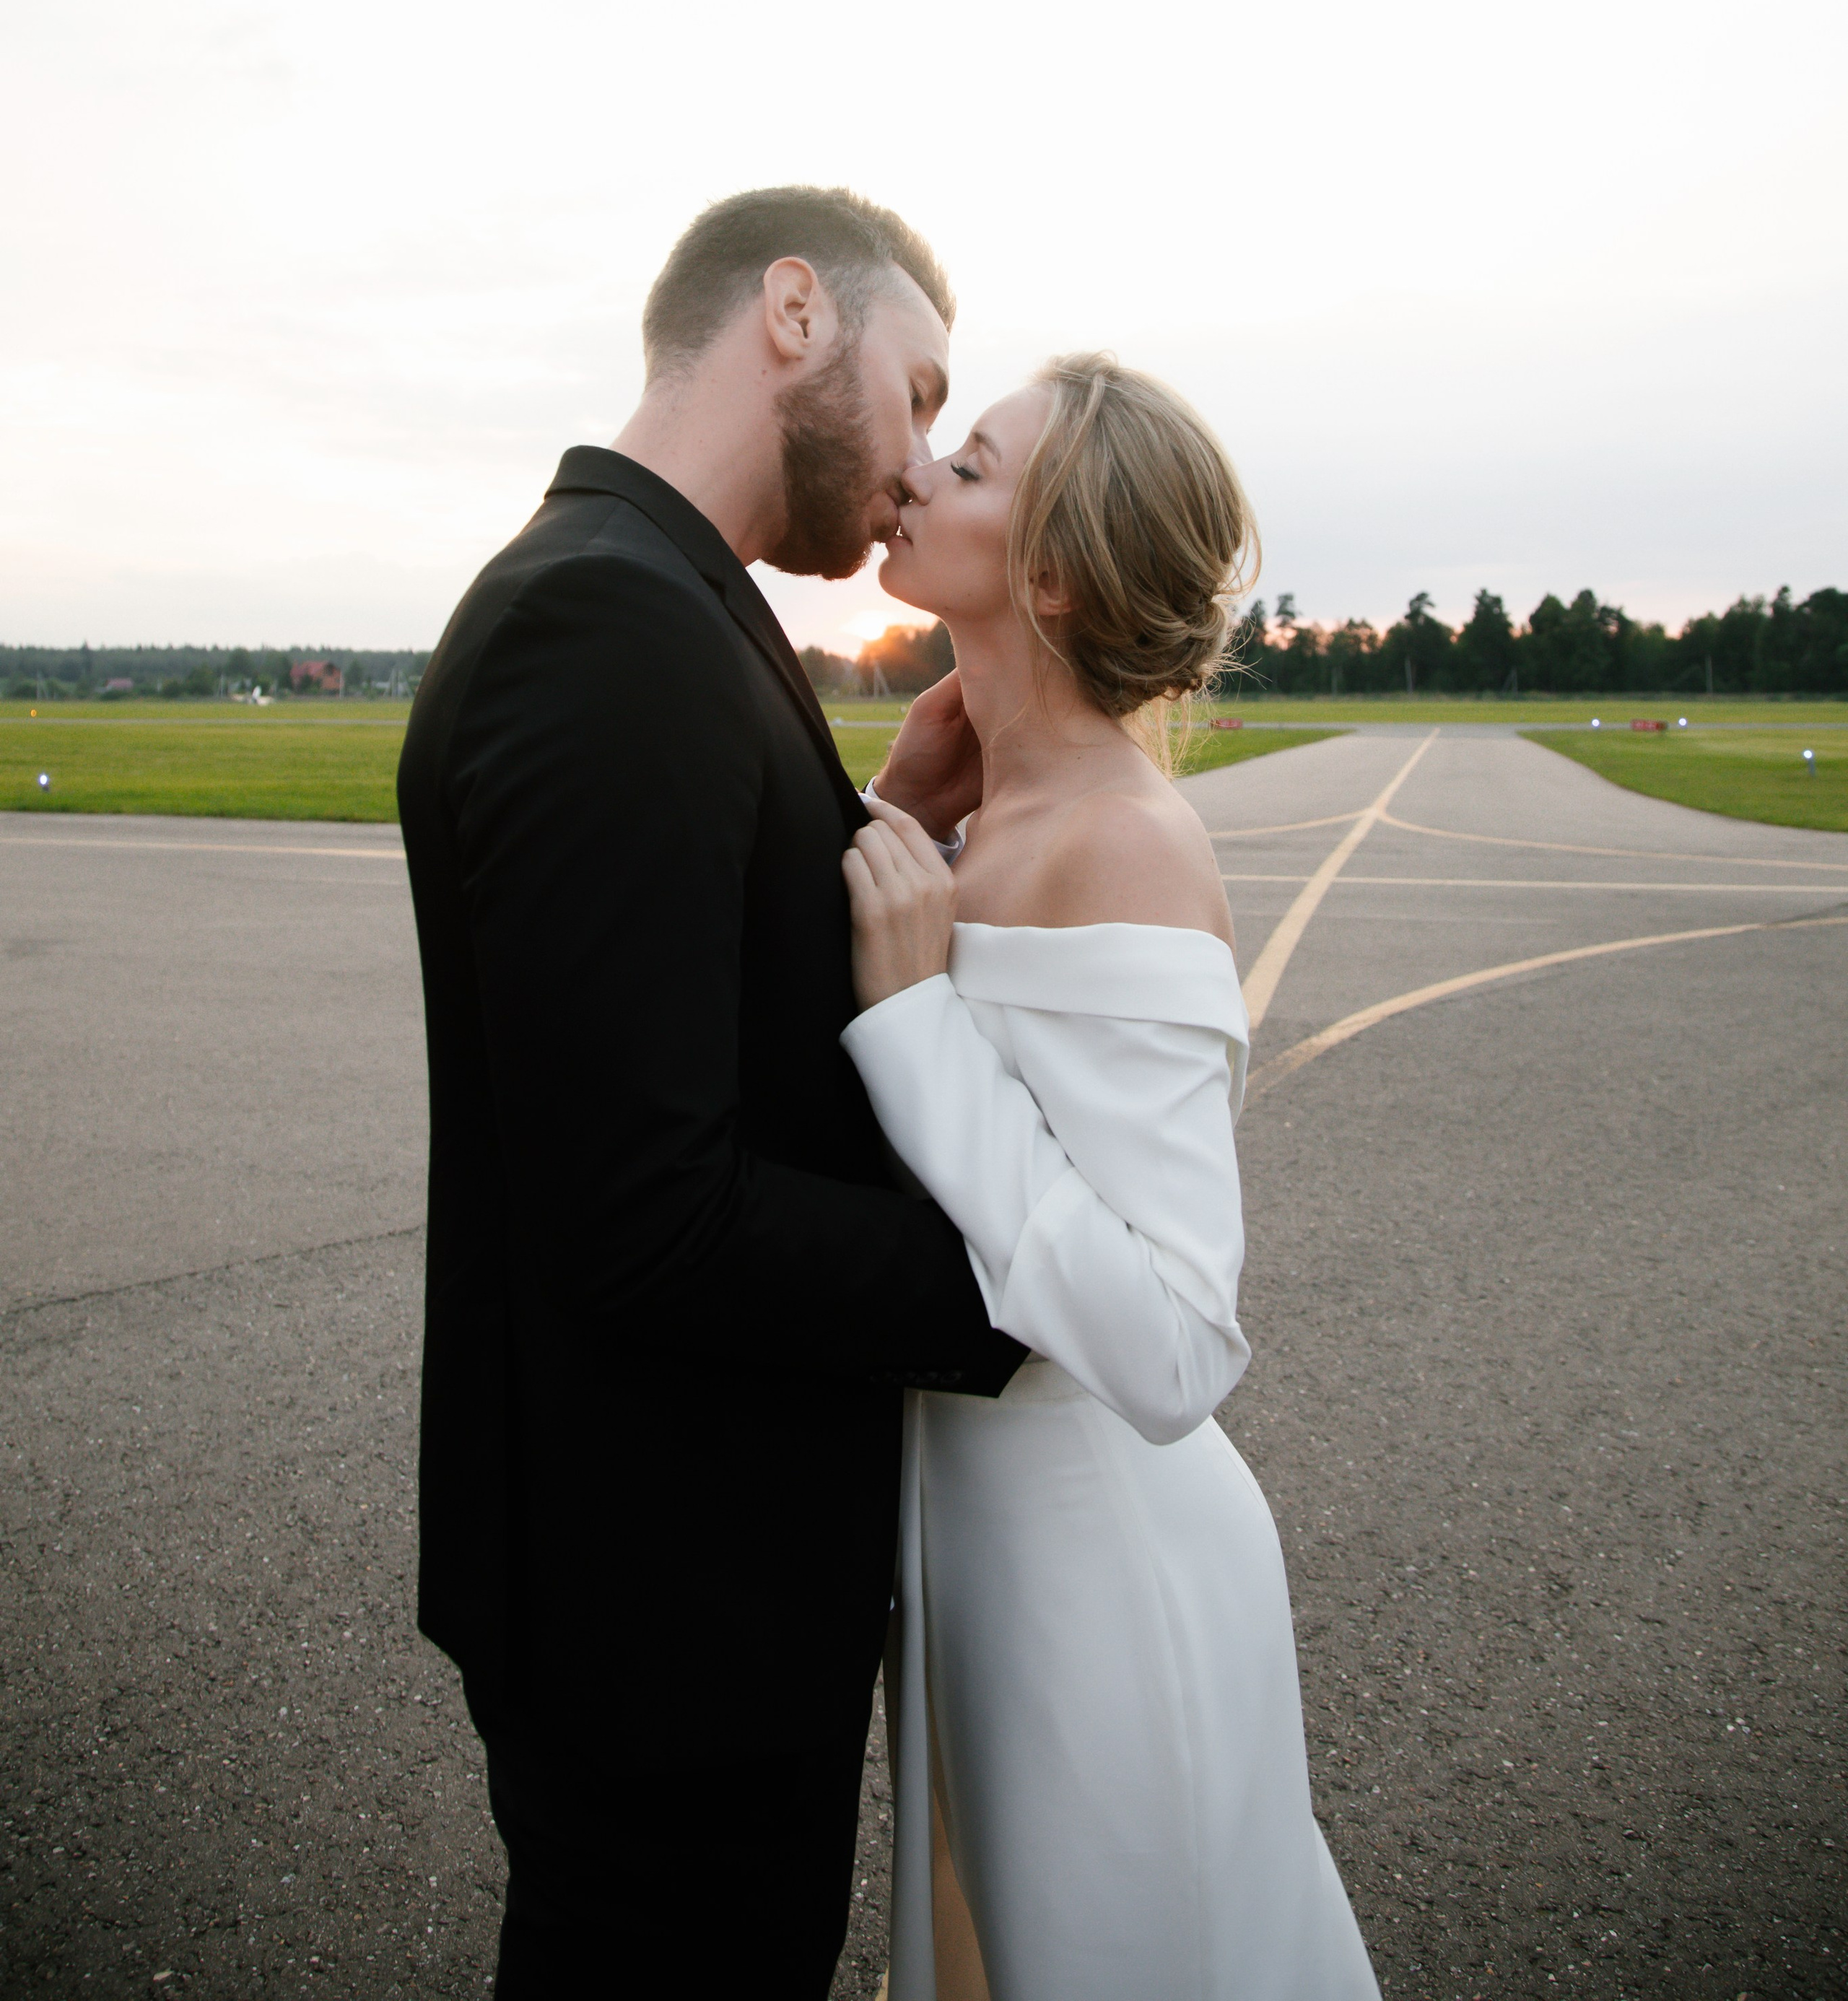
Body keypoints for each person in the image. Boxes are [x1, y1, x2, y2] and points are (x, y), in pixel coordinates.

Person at [396, 187, 1027, 1997]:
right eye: (918, 396)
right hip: (661, 1612)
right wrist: (1026, 1277)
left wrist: (880, 821)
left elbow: (708, 982)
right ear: (792, 316)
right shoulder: (607, 627)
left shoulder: (658, 599)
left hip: (665, 1591)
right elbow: (646, 1215)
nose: (916, 465)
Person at [841, 352, 1380, 2001]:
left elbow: (1170, 1342)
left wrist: (921, 1020)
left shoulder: (1127, 839)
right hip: (974, 1556)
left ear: (1054, 569)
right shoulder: (979, 818)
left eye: (975, 466)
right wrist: (887, 818)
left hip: (1101, 1582)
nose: (919, 472)